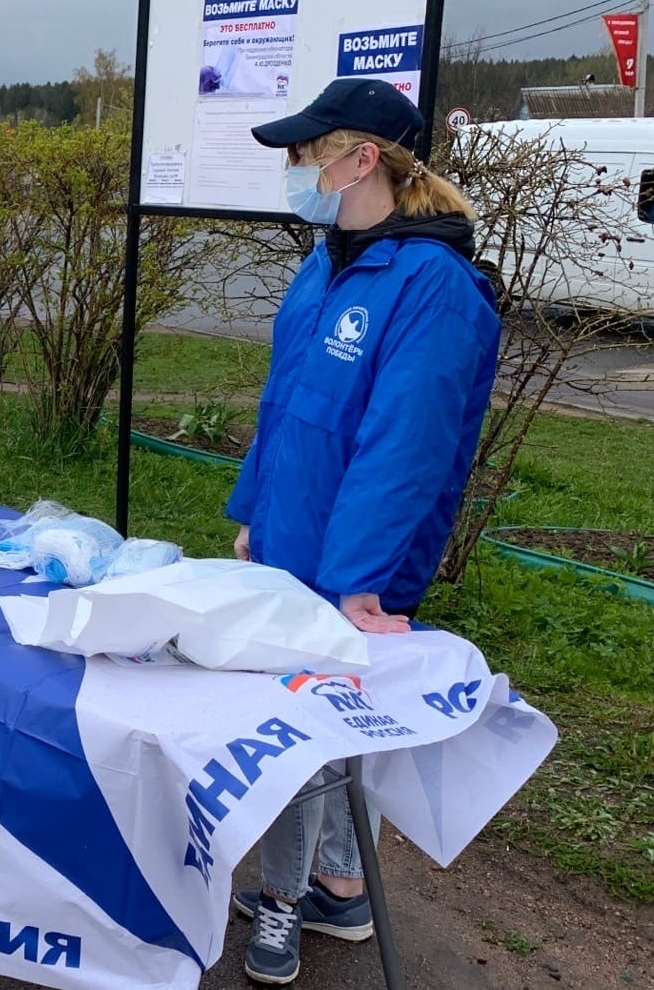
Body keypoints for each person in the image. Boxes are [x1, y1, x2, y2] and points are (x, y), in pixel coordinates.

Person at [223, 78, 501, 985]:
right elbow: (285, 405)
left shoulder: (433, 286)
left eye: (307, 156)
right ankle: (340, 884)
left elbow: (405, 452)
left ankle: (281, 903)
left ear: (361, 160)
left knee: (302, 727)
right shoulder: (327, 259)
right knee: (323, 729)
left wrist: (357, 581)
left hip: (355, 564)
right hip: (294, 533)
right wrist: (255, 514)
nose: (296, 172)